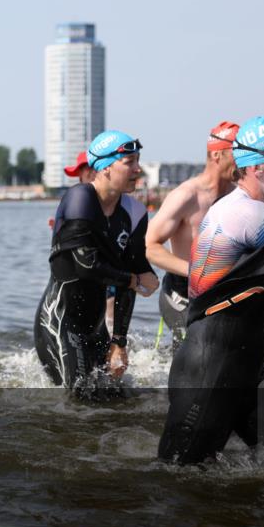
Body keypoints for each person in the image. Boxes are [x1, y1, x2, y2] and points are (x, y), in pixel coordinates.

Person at [158, 117, 264, 464]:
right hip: (210, 373)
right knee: (178, 486)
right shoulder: (246, 215)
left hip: (244, 369)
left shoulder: (262, 215)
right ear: (260, 168)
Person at [34, 131, 159, 396]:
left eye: (138, 160)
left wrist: (119, 343)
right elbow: (86, 265)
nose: (138, 169)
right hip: (59, 321)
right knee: (80, 399)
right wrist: (135, 280)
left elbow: (133, 275)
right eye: (129, 162)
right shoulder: (80, 197)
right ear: (104, 168)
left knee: (116, 399)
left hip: (97, 326)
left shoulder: (136, 213)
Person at [145, 121, 239, 348]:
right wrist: (194, 272)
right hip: (181, 292)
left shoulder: (239, 197)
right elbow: (150, 247)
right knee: (200, 351)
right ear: (218, 155)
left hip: (220, 293)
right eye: (238, 154)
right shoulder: (187, 195)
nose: (245, 161)